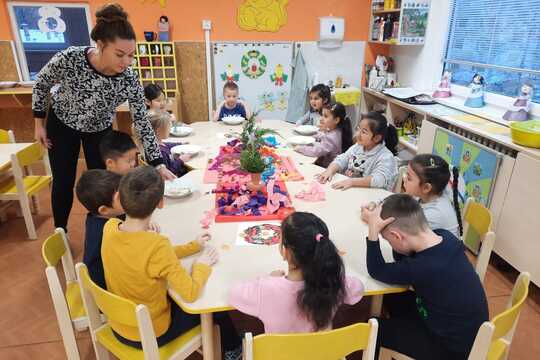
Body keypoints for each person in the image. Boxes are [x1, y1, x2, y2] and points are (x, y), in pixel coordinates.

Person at [32, 3, 174, 231]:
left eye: (130, 55)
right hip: (62, 124)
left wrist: (157, 163)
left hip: (98, 130)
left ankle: (106, 233)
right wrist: (39, 123)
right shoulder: (71, 58)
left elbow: (142, 122)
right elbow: (41, 84)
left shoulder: (128, 78)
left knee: (106, 186)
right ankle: (61, 230)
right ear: (100, 45)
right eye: (120, 54)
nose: (126, 62)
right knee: (63, 180)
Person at [101, 166, 242, 358]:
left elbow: (152, 258)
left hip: (118, 326)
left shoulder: (109, 228)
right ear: (160, 203)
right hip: (151, 333)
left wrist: (192, 246)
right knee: (214, 310)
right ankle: (234, 349)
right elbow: (191, 293)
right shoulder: (157, 245)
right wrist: (201, 265)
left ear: (119, 198)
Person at [361, 194, 488, 360]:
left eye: (387, 240)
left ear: (397, 236)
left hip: (450, 349)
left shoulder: (420, 268)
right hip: (465, 332)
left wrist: (373, 231)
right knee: (391, 297)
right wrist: (396, 242)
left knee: (372, 326)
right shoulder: (445, 237)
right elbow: (405, 255)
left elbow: (376, 269)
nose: (389, 243)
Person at [229, 212, 364, 333]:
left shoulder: (265, 288)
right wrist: (333, 274)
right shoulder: (332, 282)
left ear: (285, 252)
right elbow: (358, 287)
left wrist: (269, 278)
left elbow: (233, 294)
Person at [317, 111, 398, 191]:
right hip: (351, 190)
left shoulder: (386, 157)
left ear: (376, 138)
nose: (357, 134)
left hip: (368, 196)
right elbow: (343, 158)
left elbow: (379, 180)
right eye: (358, 128)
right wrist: (330, 170)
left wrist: (352, 182)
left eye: (364, 132)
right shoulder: (358, 146)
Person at [75, 169, 122, 289]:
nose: (128, 197)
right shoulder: (110, 232)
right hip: (109, 294)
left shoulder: (94, 218)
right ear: (104, 210)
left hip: (97, 285)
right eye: (121, 197)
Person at [403, 154, 462, 238]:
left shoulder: (434, 214)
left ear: (426, 187)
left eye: (409, 178)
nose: (404, 178)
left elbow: (404, 233)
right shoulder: (426, 196)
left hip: (441, 250)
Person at [294, 102, 353, 168]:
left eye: (325, 116)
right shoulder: (337, 130)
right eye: (322, 115)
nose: (321, 119)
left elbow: (317, 152)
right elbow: (324, 135)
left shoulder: (331, 137)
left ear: (336, 120)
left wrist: (301, 148)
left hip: (326, 167)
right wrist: (313, 136)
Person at [146, 110, 190, 177]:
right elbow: (169, 172)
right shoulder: (160, 153)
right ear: (158, 131)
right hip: (175, 178)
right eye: (169, 127)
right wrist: (181, 160)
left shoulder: (156, 143)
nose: (170, 130)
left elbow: (167, 145)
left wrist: (180, 143)